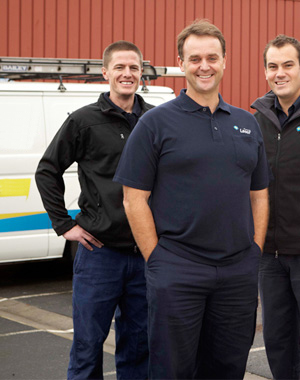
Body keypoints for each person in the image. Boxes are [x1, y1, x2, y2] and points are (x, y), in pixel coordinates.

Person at [114, 19, 270, 380]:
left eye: (212, 57)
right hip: (178, 270)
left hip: (237, 272)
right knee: (172, 369)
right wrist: (158, 260)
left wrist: (254, 251)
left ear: (225, 61)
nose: (204, 66)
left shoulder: (247, 125)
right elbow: (133, 199)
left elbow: (259, 194)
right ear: (181, 63)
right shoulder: (154, 123)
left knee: (229, 367)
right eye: (195, 58)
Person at [35, 40, 153, 380]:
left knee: (139, 347)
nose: (127, 74)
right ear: (105, 73)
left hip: (145, 254)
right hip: (99, 255)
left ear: (141, 72)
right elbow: (47, 170)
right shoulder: (84, 121)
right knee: (87, 347)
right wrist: (63, 224)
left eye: (133, 67)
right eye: (119, 67)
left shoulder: (154, 120)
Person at [251, 34, 300, 380]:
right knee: (278, 339)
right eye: (273, 66)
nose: (279, 73)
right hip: (269, 255)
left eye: (288, 65)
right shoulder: (254, 121)